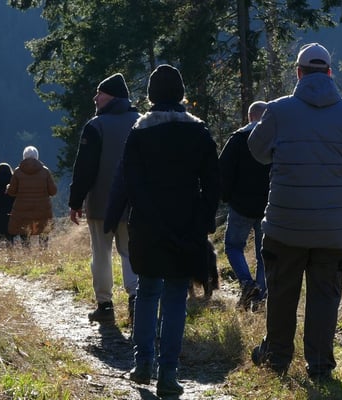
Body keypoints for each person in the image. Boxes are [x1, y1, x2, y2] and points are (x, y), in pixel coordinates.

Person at [247, 43, 342, 381]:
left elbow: (256, 150)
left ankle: (276, 358)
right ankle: (319, 366)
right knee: (324, 298)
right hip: (332, 228)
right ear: (330, 73)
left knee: (281, 293)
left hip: (284, 223)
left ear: (299, 72)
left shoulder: (278, 111)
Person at [123, 64, 219, 398]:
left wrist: (143, 217)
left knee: (148, 290)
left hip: (148, 225)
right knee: (177, 295)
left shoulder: (139, 132)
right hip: (186, 225)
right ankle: (168, 373)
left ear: (151, 95)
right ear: (181, 94)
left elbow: (131, 183)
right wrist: (203, 222)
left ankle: (142, 363)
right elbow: (213, 183)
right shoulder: (199, 131)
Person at [68, 72, 140, 324]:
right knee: (131, 253)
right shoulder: (141, 122)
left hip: (101, 203)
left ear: (112, 97)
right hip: (133, 204)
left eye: (100, 93)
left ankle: (105, 305)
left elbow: (84, 168)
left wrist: (75, 202)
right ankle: (136, 301)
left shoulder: (95, 126)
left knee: (101, 254)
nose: (95, 98)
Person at [218, 101, 271, 311]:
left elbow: (223, 170)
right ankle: (260, 297)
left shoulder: (238, 139)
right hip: (269, 206)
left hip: (241, 205)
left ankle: (247, 283)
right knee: (263, 253)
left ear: (250, 117)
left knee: (233, 246)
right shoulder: (275, 140)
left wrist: (226, 196)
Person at [6, 146, 57, 247]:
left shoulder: (18, 172)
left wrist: (8, 187)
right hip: (42, 208)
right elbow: (53, 191)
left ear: (24, 157)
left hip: (22, 209)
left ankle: (27, 253)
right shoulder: (45, 171)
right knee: (43, 231)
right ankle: (43, 252)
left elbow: (11, 192)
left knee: (24, 232)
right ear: (37, 156)